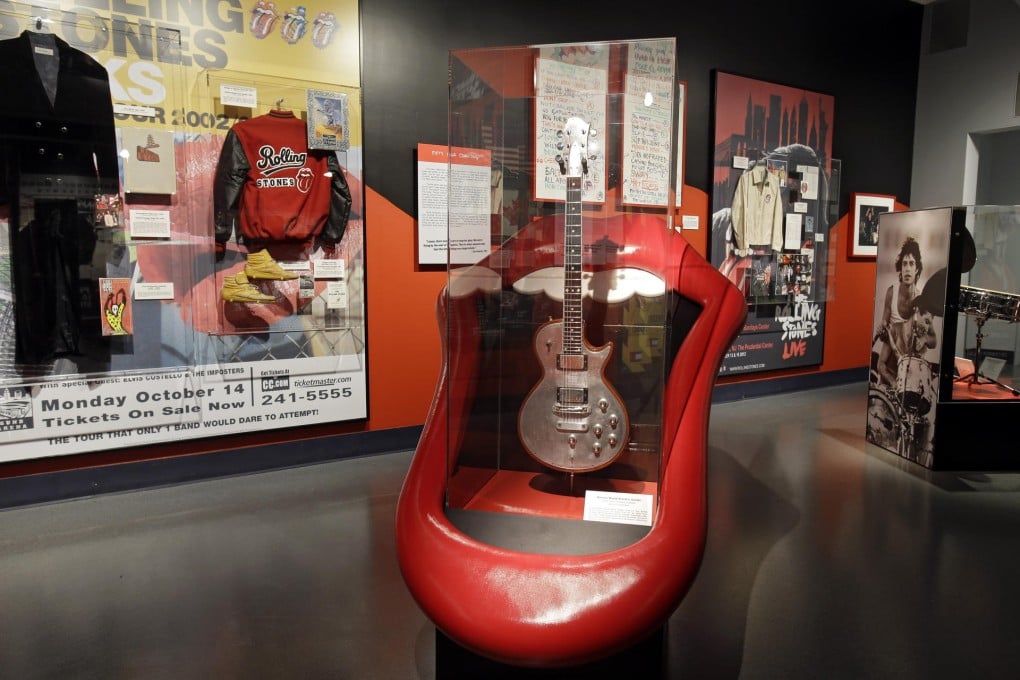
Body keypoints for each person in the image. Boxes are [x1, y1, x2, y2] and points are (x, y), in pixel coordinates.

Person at [874, 237, 937, 388]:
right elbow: (885, 328)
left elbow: (933, 340)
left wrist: (923, 340)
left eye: (912, 263)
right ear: (900, 269)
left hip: (912, 369)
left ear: (917, 269)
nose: (908, 268)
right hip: (891, 364)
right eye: (904, 264)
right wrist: (882, 331)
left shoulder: (923, 301)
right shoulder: (892, 293)